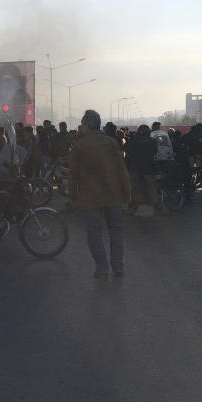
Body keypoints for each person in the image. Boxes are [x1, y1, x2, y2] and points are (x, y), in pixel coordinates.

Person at [70, 109, 132, 281]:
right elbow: (122, 170)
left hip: (90, 197)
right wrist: (127, 191)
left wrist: (72, 197)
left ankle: (102, 267)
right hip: (113, 194)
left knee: (94, 234)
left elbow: (73, 175)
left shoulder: (79, 146)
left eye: (82, 124)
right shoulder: (111, 143)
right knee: (116, 231)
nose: (81, 127)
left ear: (86, 125)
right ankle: (117, 266)